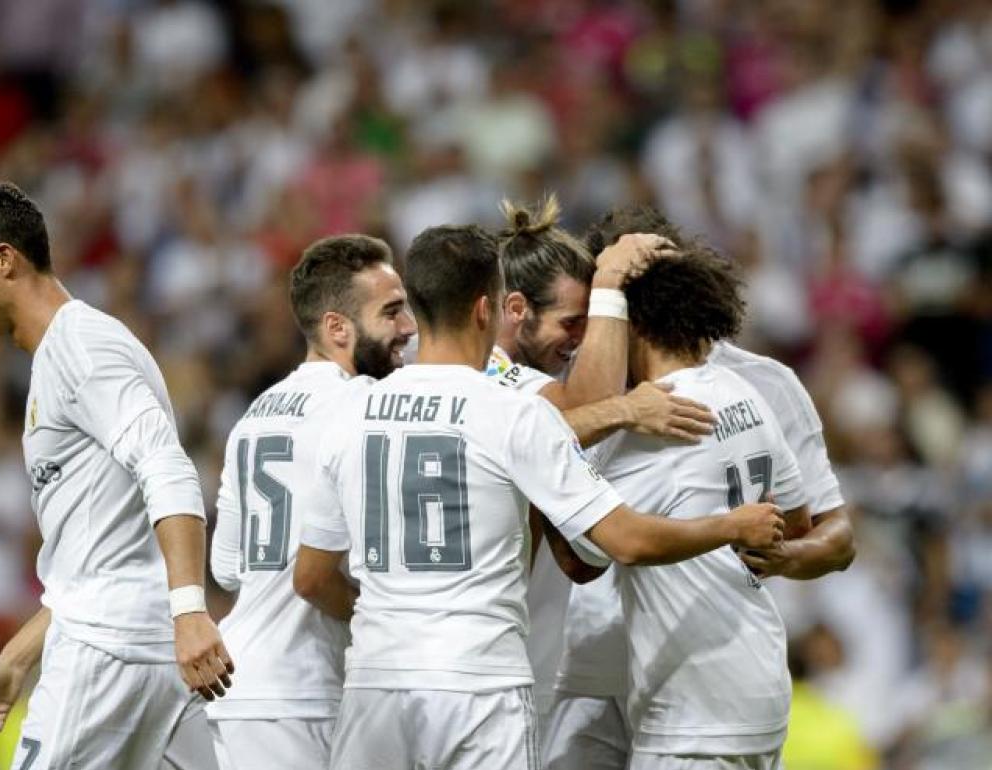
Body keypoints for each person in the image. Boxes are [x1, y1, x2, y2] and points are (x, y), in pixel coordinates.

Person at [293, 223, 785, 770]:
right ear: (488, 309)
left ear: (417, 309)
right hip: (479, 687)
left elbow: (312, 573)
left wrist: (395, 623)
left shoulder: (350, 411)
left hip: (375, 683)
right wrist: (733, 525)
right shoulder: (513, 413)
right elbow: (626, 540)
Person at [540, 208, 856, 770]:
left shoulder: (663, 410)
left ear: (628, 312)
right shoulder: (741, 392)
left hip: (690, 696)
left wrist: (539, 464)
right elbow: (794, 517)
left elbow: (585, 556)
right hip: (712, 671)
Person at [0, 181, 228, 769]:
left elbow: (168, 466)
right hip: (151, 652)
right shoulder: (67, 354)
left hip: (107, 656)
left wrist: (192, 611)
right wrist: (17, 658)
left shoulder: (79, 349)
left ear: (4, 260)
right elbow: (98, 560)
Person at [489, 196, 717, 727]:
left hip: (509, 663)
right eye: (572, 322)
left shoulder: (508, 381)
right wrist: (611, 282)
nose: (581, 340)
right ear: (517, 309)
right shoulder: (493, 379)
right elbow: (578, 415)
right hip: (488, 675)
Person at [207, 234, 416, 770]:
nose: (408, 327)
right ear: (337, 328)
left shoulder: (253, 414)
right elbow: (314, 578)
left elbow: (227, 568)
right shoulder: (365, 404)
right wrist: (381, 623)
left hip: (245, 684)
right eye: (391, 312)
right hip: (299, 691)